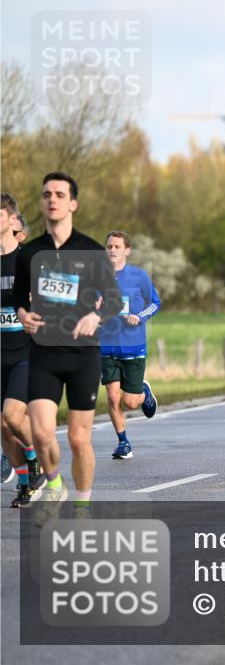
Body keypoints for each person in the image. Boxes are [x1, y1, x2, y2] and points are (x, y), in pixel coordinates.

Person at [13, 173, 123, 519]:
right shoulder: (29, 252)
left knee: (78, 439)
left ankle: (82, 506)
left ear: (72, 203)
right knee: (43, 432)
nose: (52, 199)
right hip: (43, 353)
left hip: (82, 355)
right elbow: (18, 296)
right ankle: (55, 484)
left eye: (60, 194)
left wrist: (96, 316)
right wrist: (23, 314)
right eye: (46, 194)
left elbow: (115, 301)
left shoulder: (91, 250)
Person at [98, 231, 160, 460]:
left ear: (127, 250)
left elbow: (155, 303)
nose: (112, 250)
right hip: (106, 347)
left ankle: (143, 392)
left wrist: (140, 317)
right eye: (109, 246)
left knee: (130, 402)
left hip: (133, 347)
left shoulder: (139, 276)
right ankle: (123, 442)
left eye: (117, 246)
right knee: (113, 398)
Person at [1, 194, 45, 507]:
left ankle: (37, 461)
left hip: (27, 352)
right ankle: (26, 482)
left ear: (11, 220)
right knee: (2, 425)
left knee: (13, 416)